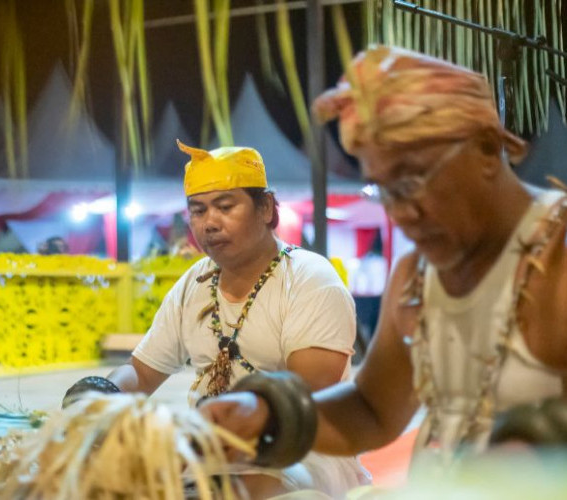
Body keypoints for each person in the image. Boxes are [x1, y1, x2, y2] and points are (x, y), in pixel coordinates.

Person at [201, 45, 567, 472]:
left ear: (486, 148)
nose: (401, 212)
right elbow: (373, 410)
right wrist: (269, 412)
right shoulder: (417, 276)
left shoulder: (555, 253)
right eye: (384, 190)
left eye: (412, 181)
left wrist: (540, 445)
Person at [65, 141, 369, 498]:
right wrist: (102, 397)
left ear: (266, 208)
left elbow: (307, 391)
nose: (209, 223)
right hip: (209, 452)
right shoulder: (194, 282)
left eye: (225, 207)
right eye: (198, 210)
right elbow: (143, 371)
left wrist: (209, 440)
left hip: (299, 454)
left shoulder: (310, 278)